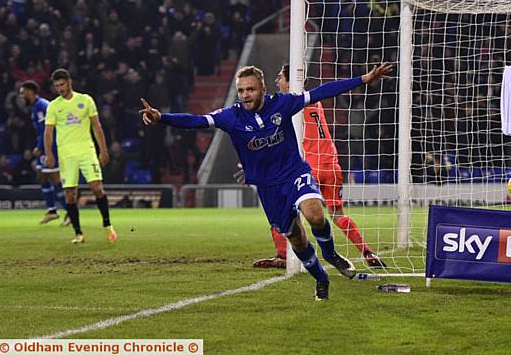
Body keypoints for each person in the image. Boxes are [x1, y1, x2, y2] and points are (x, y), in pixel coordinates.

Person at [140, 63, 393, 301]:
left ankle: (330, 254)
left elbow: (320, 92)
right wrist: (161, 117)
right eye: (241, 90)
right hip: (268, 187)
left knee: (315, 213)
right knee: (297, 238)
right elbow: (196, 120)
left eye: (250, 89)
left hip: (294, 172)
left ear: (262, 88)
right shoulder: (231, 116)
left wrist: (363, 79)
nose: (245, 95)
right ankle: (321, 277)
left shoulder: (282, 104)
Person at [241, 64, 386, 269]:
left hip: (308, 167)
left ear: (291, 82)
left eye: (280, 77)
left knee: (280, 209)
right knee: (338, 214)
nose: (276, 81)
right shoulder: (313, 102)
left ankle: (283, 256)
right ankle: (367, 252)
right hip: (332, 164)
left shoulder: (288, 107)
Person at [44, 68, 117, 244]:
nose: (60, 89)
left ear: (69, 82)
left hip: (87, 151)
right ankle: (78, 233)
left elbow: (97, 127)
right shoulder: (54, 106)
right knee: (70, 194)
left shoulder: (85, 100)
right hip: (66, 155)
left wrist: (104, 150)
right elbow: (48, 132)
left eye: (62, 84)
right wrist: (49, 154)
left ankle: (108, 226)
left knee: (97, 188)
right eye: (56, 86)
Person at [19, 80, 70, 226]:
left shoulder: (42, 106)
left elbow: (46, 131)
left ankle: (70, 212)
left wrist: (41, 148)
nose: (22, 96)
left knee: (54, 179)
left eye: (23, 93)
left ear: (30, 92)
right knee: (42, 177)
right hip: (45, 147)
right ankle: (52, 210)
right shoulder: (36, 106)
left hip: (51, 147)